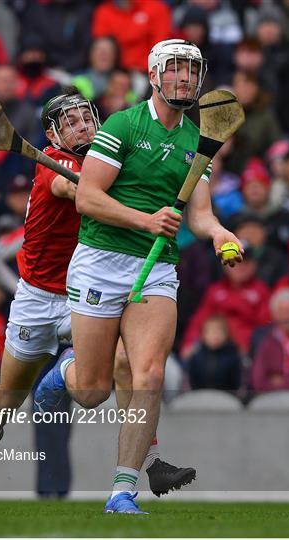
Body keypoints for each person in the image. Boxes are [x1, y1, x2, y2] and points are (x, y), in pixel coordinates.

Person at [34, 39, 243, 514]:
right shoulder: (122, 125)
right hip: (101, 260)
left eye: (192, 70)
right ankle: (62, 373)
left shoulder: (197, 141)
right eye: (176, 69)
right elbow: (88, 197)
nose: (185, 78)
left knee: (148, 373)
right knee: (91, 390)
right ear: (154, 75)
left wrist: (218, 234)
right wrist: (145, 220)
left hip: (156, 270)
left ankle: (122, 490)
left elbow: (200, 214)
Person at [0, 87, 193, 497]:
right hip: (36, 295)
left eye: (86, 118)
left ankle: (150, 464)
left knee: (124, 365)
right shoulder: (56, 165)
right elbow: (77, 193)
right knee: (8, 392)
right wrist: (104, 188)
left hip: (83, 290)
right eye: (70, 123)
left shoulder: (110, 155)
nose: (82, 127)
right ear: (54, 136)